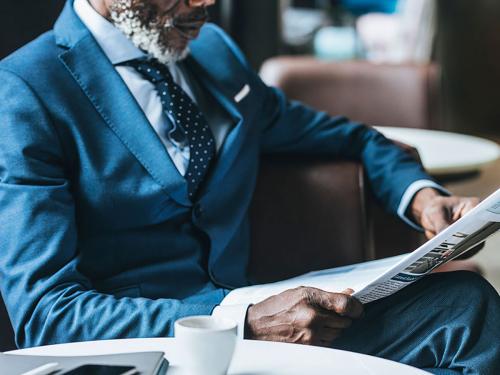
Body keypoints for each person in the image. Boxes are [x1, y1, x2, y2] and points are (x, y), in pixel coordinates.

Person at [0, 0, 498, 373]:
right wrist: (239, 320)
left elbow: (352, 139)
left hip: (268, 328)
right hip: (152, 352)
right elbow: (47, 312)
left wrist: (422, 197)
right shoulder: (28, 89)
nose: (205, 2)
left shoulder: (212, 54)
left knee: (465, 307)